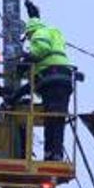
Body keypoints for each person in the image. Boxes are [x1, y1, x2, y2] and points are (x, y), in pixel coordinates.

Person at [22, 12, 73, 160]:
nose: (30, 40)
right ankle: (54, 153)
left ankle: (51, 153)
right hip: (63, 78)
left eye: (28, 36)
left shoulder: (39, 33)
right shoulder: (53, 33)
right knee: (57, 119)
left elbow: (41, 49)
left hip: (52, 78)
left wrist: (28, 57)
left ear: (30, 31)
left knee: (51, 118)